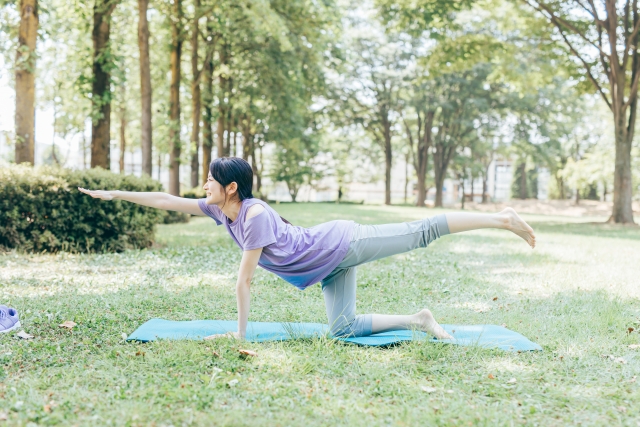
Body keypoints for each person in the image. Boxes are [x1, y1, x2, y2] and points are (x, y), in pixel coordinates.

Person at [79, 157, 535, 341]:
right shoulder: (223, 210)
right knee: (343, 329)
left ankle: (500, 218)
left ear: (231, 187)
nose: (203, 187)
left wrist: (240, 336)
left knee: (418, 232)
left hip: (343, 243)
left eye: (211, 182)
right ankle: (419, 319)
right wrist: (117, 195)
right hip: (326, 266)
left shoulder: (253, 217)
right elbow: (167, 201)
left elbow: (244, 281)